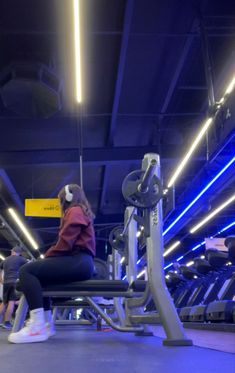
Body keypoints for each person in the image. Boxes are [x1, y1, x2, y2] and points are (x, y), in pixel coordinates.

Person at [8, 184, 96, 344]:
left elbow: (65, 243)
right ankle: (46, 324)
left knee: (26, 270)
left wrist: (46, 257)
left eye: (60, 201)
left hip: (79, 261)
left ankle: (37, 326)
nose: (60, 204)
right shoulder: (80, 211)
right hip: (81, 262)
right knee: (41, 278)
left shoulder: (74, 210)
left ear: (67, 198)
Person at [0, 245, 28, 329]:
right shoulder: (22, 259)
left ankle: (1, 321)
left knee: (4, 302)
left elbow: (0, 269)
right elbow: (29, 267)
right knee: (11, 302)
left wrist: (1, 280)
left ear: (12, 251)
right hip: (15, 282)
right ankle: (7, 322)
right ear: (19, 253)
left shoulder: (5, 260)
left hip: (6, 283)